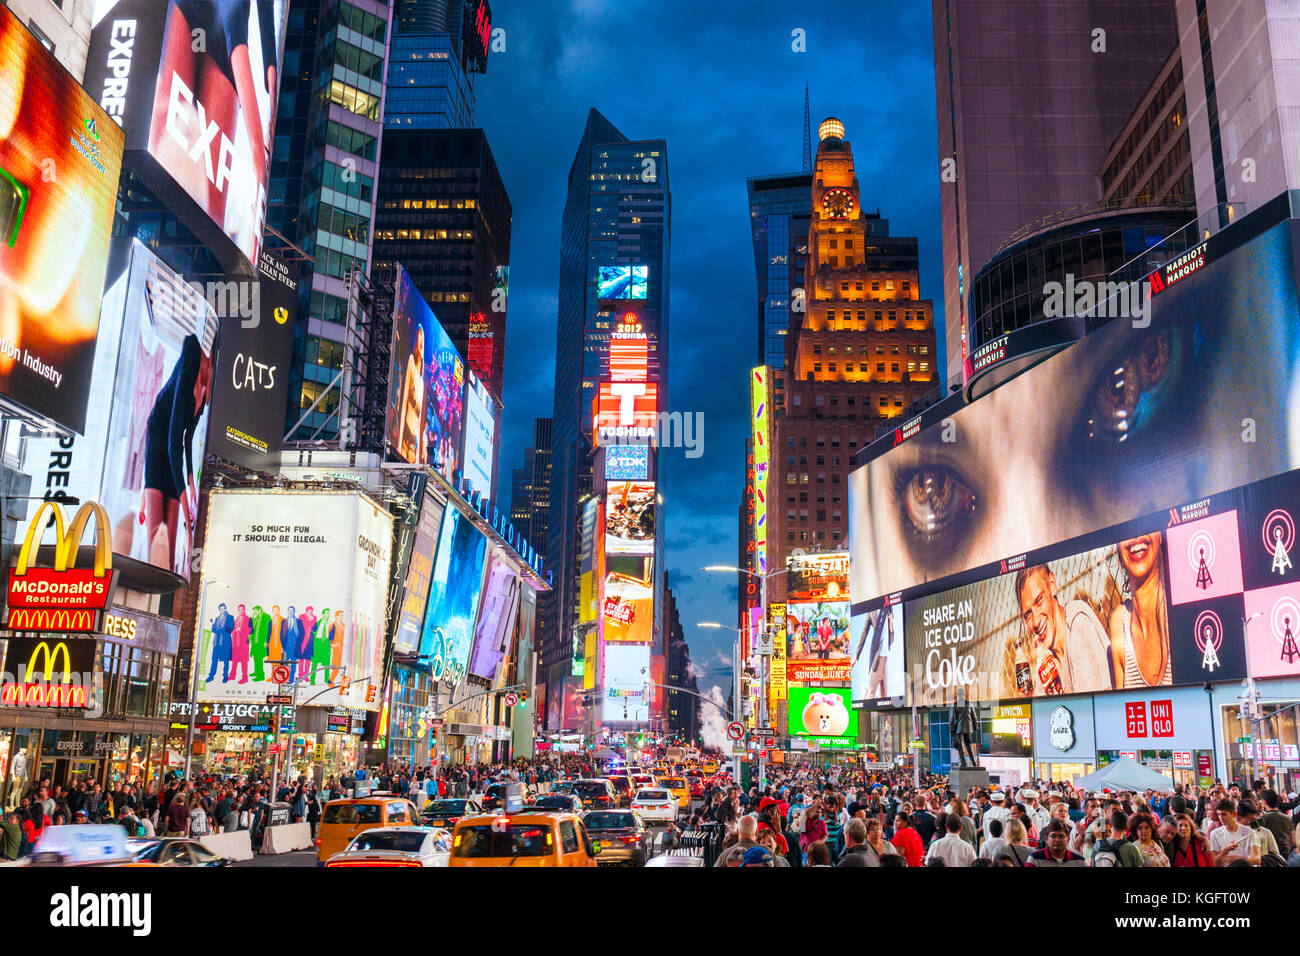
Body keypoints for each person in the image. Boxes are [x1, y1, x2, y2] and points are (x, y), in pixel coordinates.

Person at [139, 333, 212, 572]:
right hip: (158, 436)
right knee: (158, 519)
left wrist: (191, 482)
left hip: (173, 445)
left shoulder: (204, 394)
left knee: (170, 531)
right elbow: (173, 442)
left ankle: (168, 570)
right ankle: (152, 568)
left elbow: (187, 439)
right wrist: (186, 511)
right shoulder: (190, 360)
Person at [1014, 564, 1113, 693]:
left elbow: (1091, 707)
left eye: (1039, 601)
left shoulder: (1077, 621)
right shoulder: (1045, 662)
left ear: (1052, 585)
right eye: (1028, 615)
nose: (1036, 621)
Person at [1108, 533, 1172, 687]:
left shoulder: (1180, 608)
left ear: (1161, 537)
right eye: (1124, 528)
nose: (1135, 534)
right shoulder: (1118, 623)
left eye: (1147, 521)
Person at [1208, 799, 1259, 866]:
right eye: (1219, 814)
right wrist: (1225, 851)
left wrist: (1237, 859)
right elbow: (1215, 863)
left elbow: (1257, 859)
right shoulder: (1215, 834)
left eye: (1224, 814)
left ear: (1234, 814)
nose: (1221, 817)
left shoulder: (1248, 831)